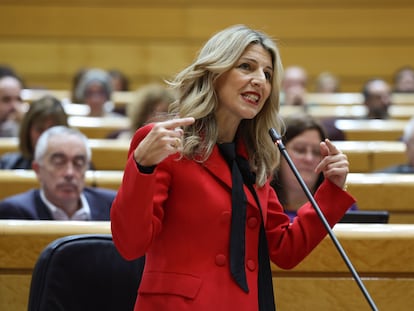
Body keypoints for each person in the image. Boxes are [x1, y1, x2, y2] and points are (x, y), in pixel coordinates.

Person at [110, 24, 355, 311]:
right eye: (246, 67)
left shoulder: (255, 158)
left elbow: (286, 250)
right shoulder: (166, 141)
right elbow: (130, 245)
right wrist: (142, 167)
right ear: (215, 73)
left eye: (267, 74)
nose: (259, 81)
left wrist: (331, 191)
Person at [0, 126, 116, 220]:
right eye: (59, 162)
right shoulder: (15, 212)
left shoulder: (113, 206)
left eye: (78, 163)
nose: (69, 173)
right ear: (38, 169)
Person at [271, 113, 356, 221]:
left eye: (316, 152)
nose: (309, 159)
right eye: (300, 150)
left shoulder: (338, 205)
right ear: (278, 154)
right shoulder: (264, 207)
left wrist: (334, 192)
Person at [0, 95, 68, 169]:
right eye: (40, 130)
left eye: (52, 131)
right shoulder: (7, 165)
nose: (45, 137)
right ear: (28, 132)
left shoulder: (74, 172)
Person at [108, 83, 175, 140]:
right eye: (152, 112)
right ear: (141, 115)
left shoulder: (178, 144)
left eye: (164, 112)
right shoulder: (120, 138)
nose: (158, 118)